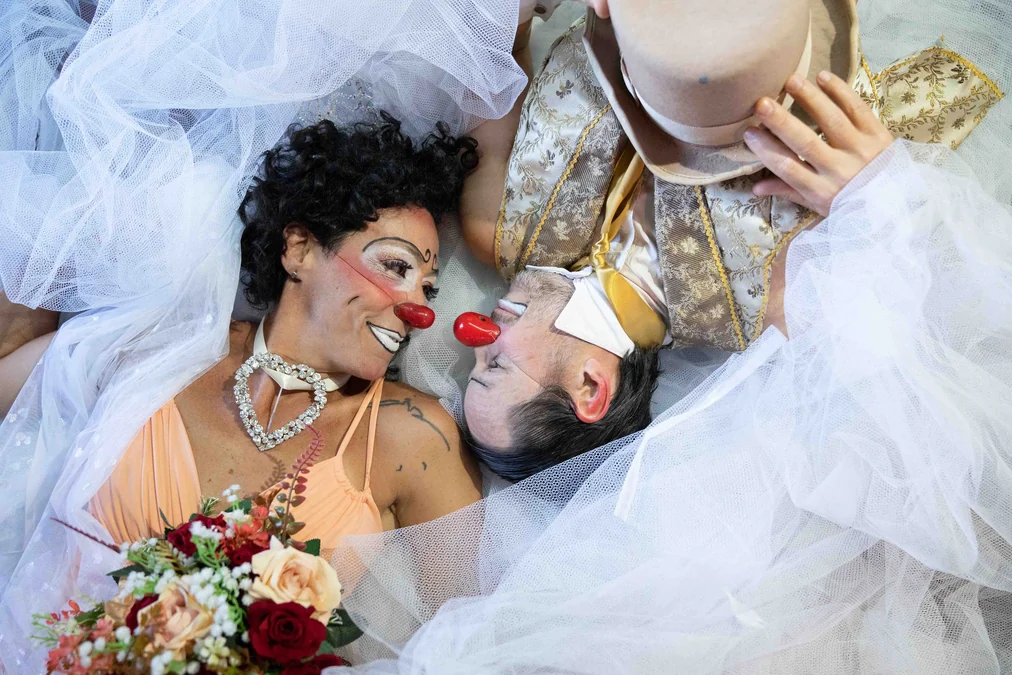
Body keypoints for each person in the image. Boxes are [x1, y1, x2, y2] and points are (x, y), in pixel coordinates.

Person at [456, 0, 1005, 478]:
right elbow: (949, 301)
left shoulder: (493, 227)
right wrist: (876, 191)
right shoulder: (768, 310)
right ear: (590, 387)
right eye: (494, 367)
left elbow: (496, 45)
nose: (476, 339)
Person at [0, 115, 484, 550]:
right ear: (299, 249)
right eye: (395, 266)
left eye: (429, 290)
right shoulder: (162, 345)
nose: (419, 311)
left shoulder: (415, 435)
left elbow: (475, 616)